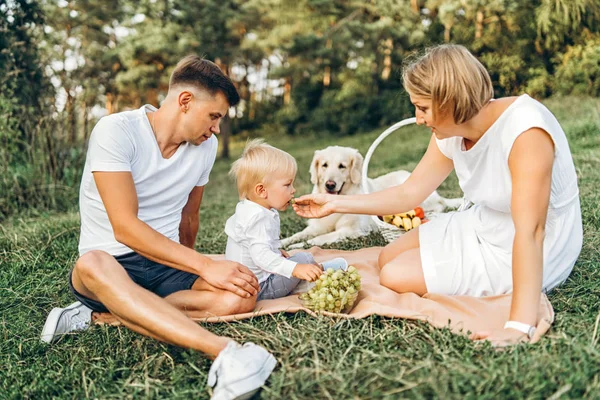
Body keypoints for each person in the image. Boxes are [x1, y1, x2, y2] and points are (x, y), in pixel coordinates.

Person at [292, 44, 583, 347]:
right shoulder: (451, 130)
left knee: (394, 276)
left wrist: (518, 325)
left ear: (451, 101)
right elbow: (409, 192)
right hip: (486, 222)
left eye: (422, 108)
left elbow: (531, 231)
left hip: (534, 242)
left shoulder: (525, 131)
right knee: (386, 256)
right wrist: (335, 203)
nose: (418, 119)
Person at [40, 55, 277, 399]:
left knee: (240, 297)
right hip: (109, 262)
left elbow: (189, 218)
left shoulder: (205, 148)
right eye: (213, 116)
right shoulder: (116, 131)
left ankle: (103, 315)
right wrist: (206, 265)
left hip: (164, 264)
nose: (216, 129)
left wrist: (199, 270)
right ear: (185, 101)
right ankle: (227, 352)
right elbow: (125, 228)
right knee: (92, 263)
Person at [225, 140, 348, 300]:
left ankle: (314, 270)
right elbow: (261, 256)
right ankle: (317, 277)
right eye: (288, 185)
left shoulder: (254, 209)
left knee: (298, 258)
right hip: (260, 287)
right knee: (302, 259)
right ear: (262, 190)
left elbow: (260, 244)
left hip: (254, 280)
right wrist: (295, 268)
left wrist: (276, 252)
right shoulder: (257, 218)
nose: (293, 190)